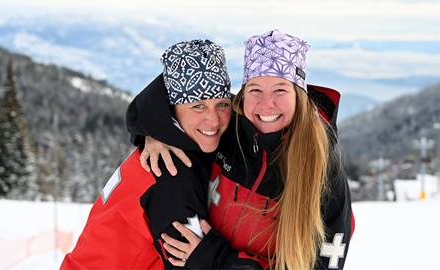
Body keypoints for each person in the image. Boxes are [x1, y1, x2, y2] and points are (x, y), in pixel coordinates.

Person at [135, 30, 354, 270]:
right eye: (255, 90)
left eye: (280, 90)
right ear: (243, 95)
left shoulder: (322, 167)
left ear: (299, 96)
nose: (266, 103)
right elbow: (183, 98)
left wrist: (216, 259)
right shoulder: (228, 129)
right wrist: (158, 132)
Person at [61, 39, 260, 269]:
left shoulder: (173, 139)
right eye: (197, 106)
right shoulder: (172, 173)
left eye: (222, 105)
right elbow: (189, 262)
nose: (213, 119)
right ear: (172, 109)